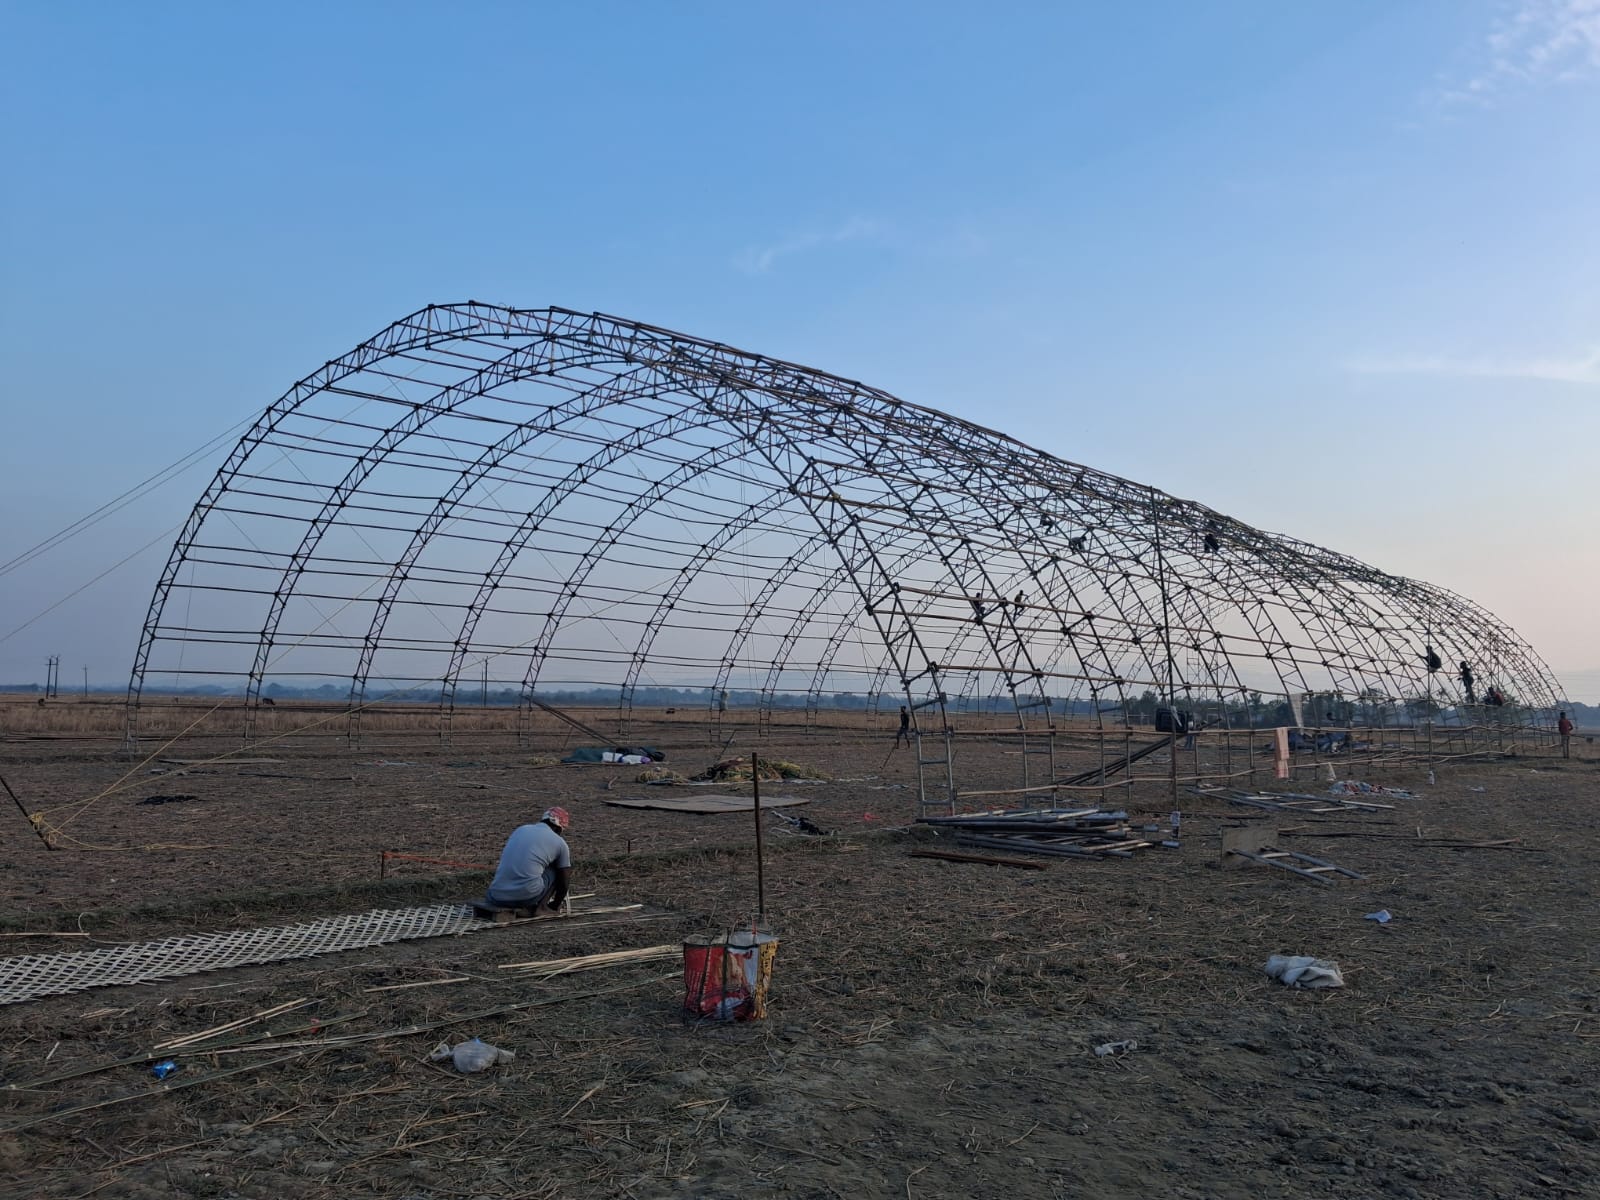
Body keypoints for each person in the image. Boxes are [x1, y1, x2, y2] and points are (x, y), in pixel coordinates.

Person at [487, 807, 572, 915]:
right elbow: (564, 880)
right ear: (558, 828)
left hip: (495, 896)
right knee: (557, 869)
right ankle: (542, 907)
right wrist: (555, 905)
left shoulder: (521, 829)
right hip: (525, 897)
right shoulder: (560, 843)